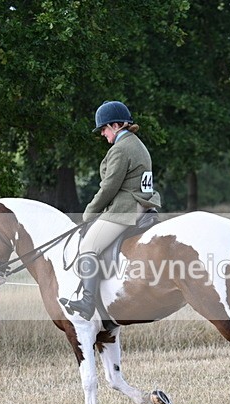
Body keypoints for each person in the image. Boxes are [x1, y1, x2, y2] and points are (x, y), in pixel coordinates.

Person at [61, 100, 161, 320]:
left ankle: (87, 301)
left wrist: (88, 214)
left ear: (116, 125)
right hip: (144, 204)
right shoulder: (137, 144)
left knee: (87, 245)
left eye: (104, 128)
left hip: (126, 209)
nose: (102, 134)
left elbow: (108, 188)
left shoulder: (121, 149)